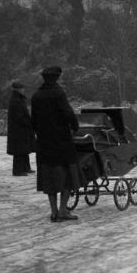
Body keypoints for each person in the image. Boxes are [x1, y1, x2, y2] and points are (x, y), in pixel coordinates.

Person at [31, 66, 82, 222]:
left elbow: (33, 120)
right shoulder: (58, 93)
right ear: (57, 78)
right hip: (62, 142)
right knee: (67, 177)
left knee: (49, 179)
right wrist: (75, 126)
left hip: (45, 144)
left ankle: (53, 211)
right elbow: (68, 113)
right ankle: (62, 210)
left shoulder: (36, 96)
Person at [6, 81, 36, 176]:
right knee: (19, 151)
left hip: (21, 129)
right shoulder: (16, 100)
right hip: (18, 130)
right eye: (22, 88)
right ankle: (18, 170)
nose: (24, 90)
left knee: (24, 149)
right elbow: (19, 117)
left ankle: (26, 168)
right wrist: (28, 123)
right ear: (18, 89)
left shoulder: (18, 99)